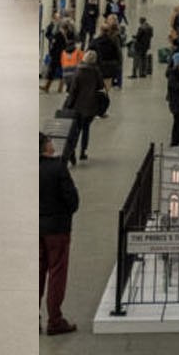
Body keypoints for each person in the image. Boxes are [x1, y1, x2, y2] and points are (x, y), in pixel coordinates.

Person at [39, 132, 79, 336]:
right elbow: (72, 199)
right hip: (57, 229)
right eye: (48, 142)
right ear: (45, 147)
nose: (51, 144)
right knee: (56, 273)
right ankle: (54, 320)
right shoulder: (57, 167)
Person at [62, 57, 103, 164]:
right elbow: (101, 86)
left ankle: (72, 151)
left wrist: (68, 105)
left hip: (78, 107)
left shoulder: (78, 71)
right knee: (86, 129)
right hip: (91, 106)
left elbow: (73, 90)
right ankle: (83, 152)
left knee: (76, 131)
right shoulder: (96, 71)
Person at [92, 16, 124, 90]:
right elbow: (117, 52)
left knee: (103, 85)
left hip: (101, 65)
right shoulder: (112, 40)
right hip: (109, 65)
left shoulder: (96, 41)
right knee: (107, 85)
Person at [43, 20, 73, 93]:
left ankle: (47, 87)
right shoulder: (67, 35)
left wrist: (51, 53)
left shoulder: (58, 35)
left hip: (56, 56)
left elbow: (54, 45)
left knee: (52, 71)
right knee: (61, 71)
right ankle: (60, 88)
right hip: (62, 55)